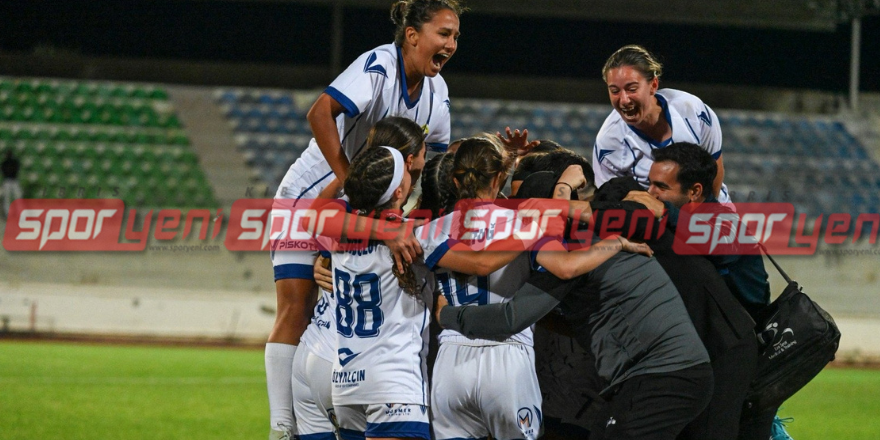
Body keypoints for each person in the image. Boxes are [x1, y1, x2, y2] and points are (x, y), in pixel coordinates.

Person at [266, 1, 461, 436]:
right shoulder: (379, 65)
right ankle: (281, 426)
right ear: (412, 35)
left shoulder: (438, 92)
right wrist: (349, 182)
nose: (451, 44)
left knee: (337, 311)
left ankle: (333, 411)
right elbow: (319, 112)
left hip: (361, 208)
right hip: (310, 195)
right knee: (297, 309)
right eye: (444, 33)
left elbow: (436, 162)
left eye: (455, 37)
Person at [417, 137, 650, 440]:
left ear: (454, 178)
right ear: (500, 177)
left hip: (450, 357)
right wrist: (615, 242)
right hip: (507, 356)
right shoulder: (524, 222)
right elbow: (566, 268)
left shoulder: (429, 229)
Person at [621, 142, 791, 440]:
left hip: (733, 351)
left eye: (661, 186)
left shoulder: (725, 222)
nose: (651, 192)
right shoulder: (679, 224)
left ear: (695, 191)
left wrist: (664, 212)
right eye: (650, 183)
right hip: (707, 344)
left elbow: (715, 244)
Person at [292, 117, 428, 440]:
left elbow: (313, 219)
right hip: (386, 377)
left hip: (338, 369)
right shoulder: (414, 233)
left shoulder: (343, 220)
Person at [592, 44, 730, 203]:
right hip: (654, 217)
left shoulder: (693, 111)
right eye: (615, 91)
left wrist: (706, 213)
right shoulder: (608, 143)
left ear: (653, 85)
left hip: (712, 208)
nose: (624, 100)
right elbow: (609, 201)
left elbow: (714, 168)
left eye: (632, 89)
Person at [2, 150, 22, 219]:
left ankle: (16, 213)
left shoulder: (6, 162)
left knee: (16, 197)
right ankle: (10, 214)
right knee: (9, 197)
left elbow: (17, 169)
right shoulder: (8, 162)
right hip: (11, 180)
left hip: (10, 180)